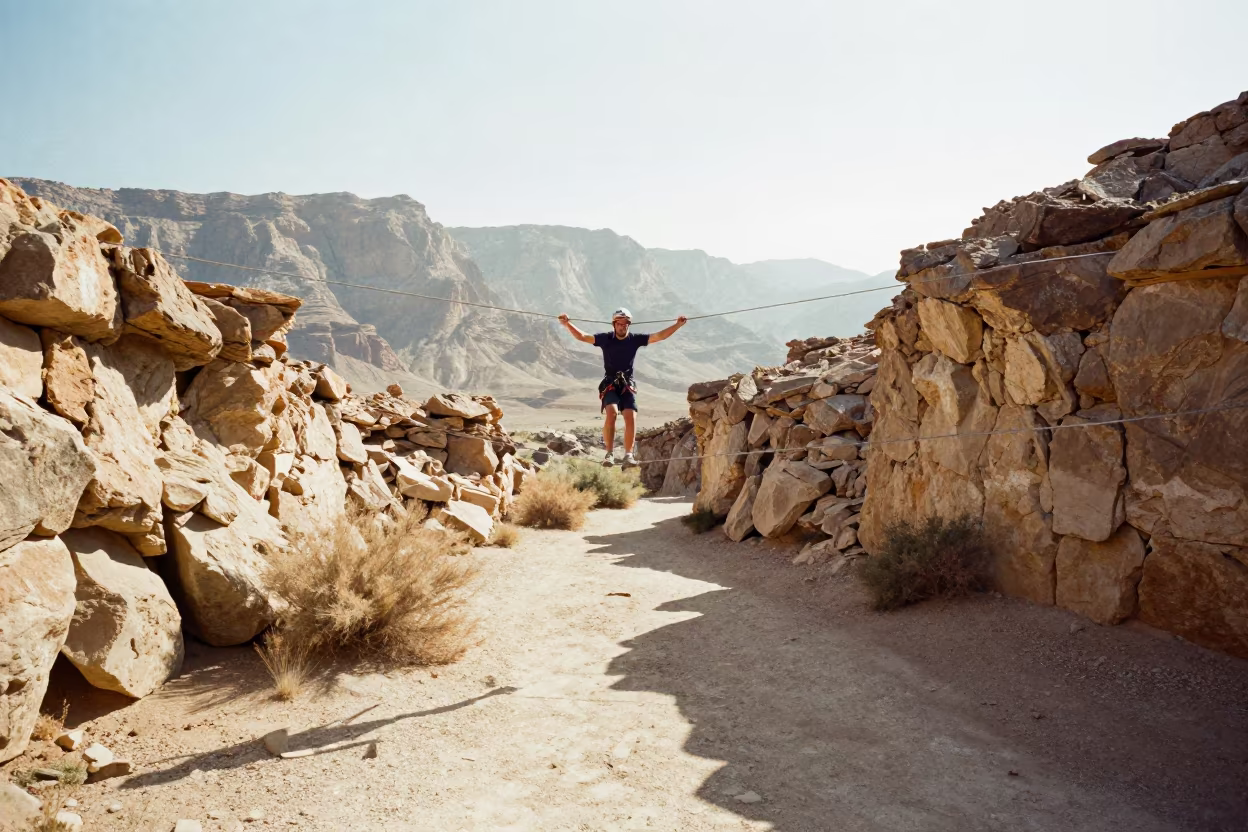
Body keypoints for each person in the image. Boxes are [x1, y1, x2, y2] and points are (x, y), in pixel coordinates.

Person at [558, 308, 688, 468]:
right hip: (610, 384)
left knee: (630, 416)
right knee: (611, 413)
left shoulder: (634, 339)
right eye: (620, 324)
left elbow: (659, 336)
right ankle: (609, 453)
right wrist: (567, 324)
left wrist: (678, 325)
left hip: (627, 384)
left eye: (626, 324)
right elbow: (583, 336)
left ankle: (628, 455)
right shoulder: (606, 339)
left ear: (629, 324)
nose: (623, 326)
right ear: (614, 324)